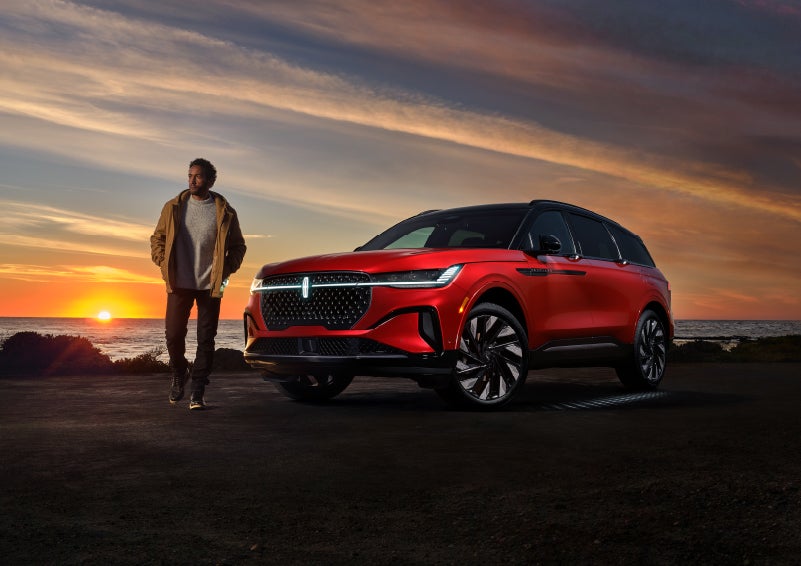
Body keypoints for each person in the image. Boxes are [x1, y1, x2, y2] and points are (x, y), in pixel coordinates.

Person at [150, 158, 246, 410]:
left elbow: (238, 246)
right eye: (190, 175)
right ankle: (179, 371)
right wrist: (162, 262)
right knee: (173, 335)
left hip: (211, 285)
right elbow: (158, 238)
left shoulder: (225, 212)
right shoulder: (173, 207)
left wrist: (225, 270)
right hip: (178, 282)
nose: (192, 180)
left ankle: (198, 391)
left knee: (206, 339)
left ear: (211, 181)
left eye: (198, 176)